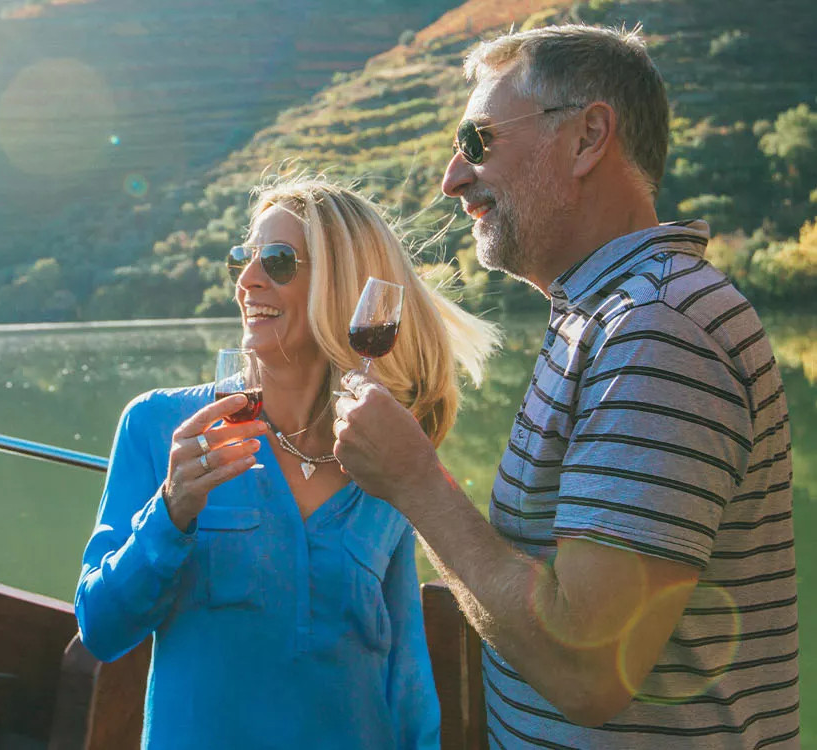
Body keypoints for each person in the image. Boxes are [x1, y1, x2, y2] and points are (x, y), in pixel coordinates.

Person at [332, 24, 800, 748]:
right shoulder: (605, 317)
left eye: (479, 141)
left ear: (588, 138)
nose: (453, 178)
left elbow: (587, 668)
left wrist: (416, 483)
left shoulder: (656, 329)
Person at [75, 175, 499, 748]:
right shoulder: (160, 427)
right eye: (241, 259)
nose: (247, 279)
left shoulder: (388, 453)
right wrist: (171, 510)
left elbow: (406, 676)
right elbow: (101, 630)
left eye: (276, 261)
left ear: (342, 287)